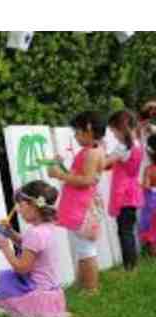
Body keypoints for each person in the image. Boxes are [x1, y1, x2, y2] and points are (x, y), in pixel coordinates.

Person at [0, 180, 70, 317]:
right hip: (51, 294)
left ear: (32, 206)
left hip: (34, 294)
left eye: (20, 205)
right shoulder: (48, 228)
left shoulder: (35, 233)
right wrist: (11, 233)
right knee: (0, 278)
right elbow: (30, 248)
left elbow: (22, 268)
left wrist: (5, 247)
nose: (18, 210)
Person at [48, 111, 106, 293]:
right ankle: (83, 283)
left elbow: (86, 180)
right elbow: (80, 175)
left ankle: (91, 289)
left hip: (82, 208)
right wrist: (61, 168)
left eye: (77, 132)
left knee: (86, 250)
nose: (75, 136)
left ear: (89, 130)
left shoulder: (91, 153)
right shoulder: (94, 150)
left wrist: (60, 175)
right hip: (83, 205)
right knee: (83, 249)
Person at [103, 110, 144, 271]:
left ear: (122, 128)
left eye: (114, 131)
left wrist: (100, 150)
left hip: (124, 193)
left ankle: (129, 267)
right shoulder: (137, 144)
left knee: (124, 231)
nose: (113, 135)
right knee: (128, 230)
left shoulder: (123, 147)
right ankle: (132, 265)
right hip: (132, 192)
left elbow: (105, 163)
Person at [140, 134, 156, 257]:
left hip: (152, 202)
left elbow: (146, 186)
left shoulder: (149, 169)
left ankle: (153, 252)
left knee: (152, 228)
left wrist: (138, 185)